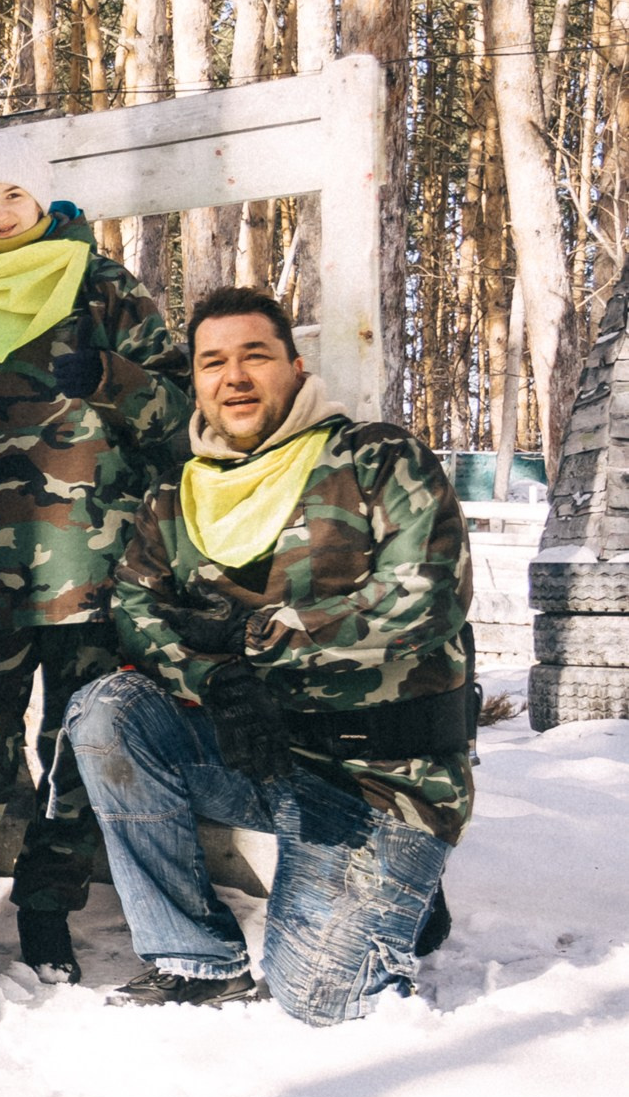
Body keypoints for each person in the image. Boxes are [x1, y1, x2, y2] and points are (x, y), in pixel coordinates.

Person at [64, 288, 475, 1023]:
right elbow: (133, 606)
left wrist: (258, 646)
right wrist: (211, 677)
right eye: (213, 362)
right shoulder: (177, 495)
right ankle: (193, 959)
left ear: (294, 363)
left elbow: (424, 599)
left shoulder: (377, 459)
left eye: (255, 355)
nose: (236, 377)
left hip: (373, 779)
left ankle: (400, 890)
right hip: (258, 759)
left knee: (322, 1005)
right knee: (105, 714)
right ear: (195, 382)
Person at [0, 128, 190, 981]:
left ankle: (46, 908)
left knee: (75, 748)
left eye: (11, 197)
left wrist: (109, 377)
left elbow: (180, 422)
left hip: (96, 572)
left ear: (42, 199)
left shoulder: (104, 291)